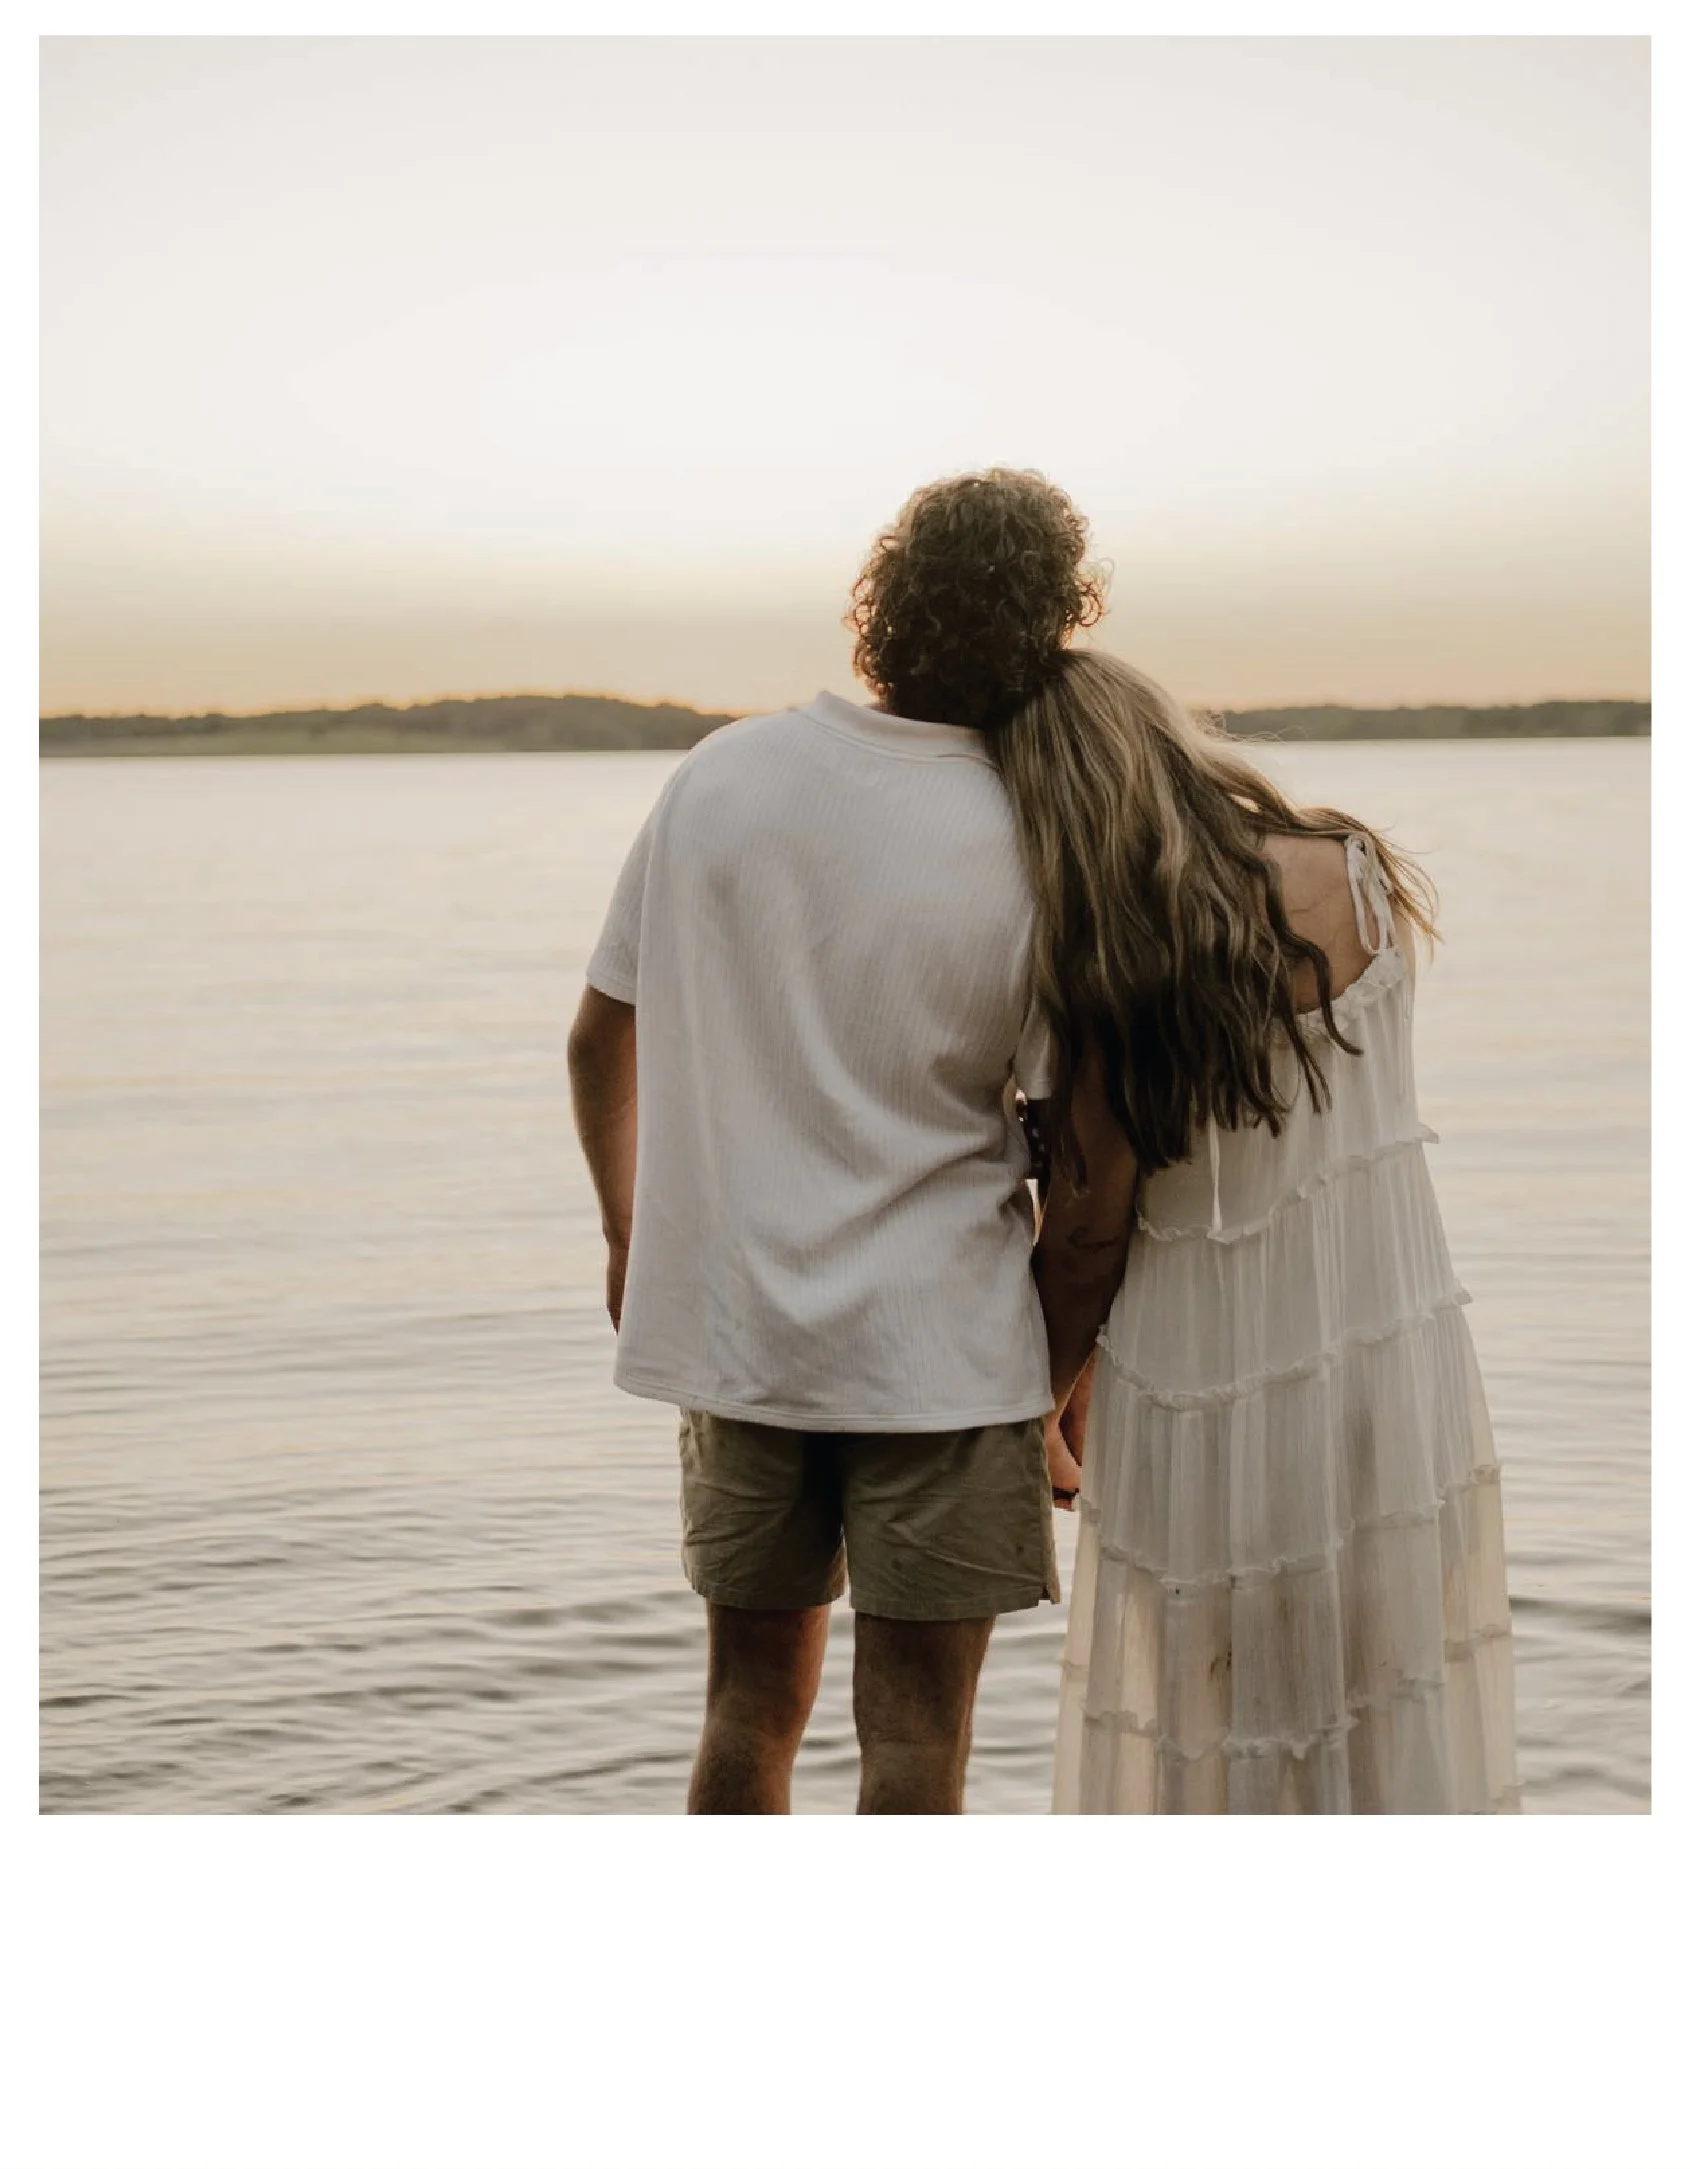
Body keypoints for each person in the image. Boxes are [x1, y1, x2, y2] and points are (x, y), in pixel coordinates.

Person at [567, 469, 1102, 1813]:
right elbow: (1072, 1136)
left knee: (746, 1712)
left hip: (741, 1339)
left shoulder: (723, 773)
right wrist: (1064, 1368)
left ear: (880, 606)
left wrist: (635, 1231)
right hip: (946, 1353)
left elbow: (595, 1041)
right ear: (1051, 628)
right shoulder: (1038, 834)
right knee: (917, 1741)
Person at [992, 650, 1521, 1812]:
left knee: (1219, 1742)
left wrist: (1032, 1398)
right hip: (1390, 1360)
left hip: (1206, 1388)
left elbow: (1087, 1233)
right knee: (1390, 1713)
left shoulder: (1118, 949)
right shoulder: (1356, 869)